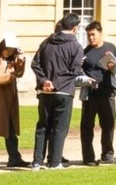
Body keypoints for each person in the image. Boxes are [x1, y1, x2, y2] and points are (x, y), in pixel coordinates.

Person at [30, 13, 84, 170]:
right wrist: (54, 84)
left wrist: (44, 81)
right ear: (75, 28)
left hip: (45, 92)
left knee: (42, 127)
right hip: (64, 92)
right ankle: (54, 162)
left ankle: (37, 161)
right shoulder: (76, 47)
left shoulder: (47, 42)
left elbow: (35, 64)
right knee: (59, 127)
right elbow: (74, 71)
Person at [0, 34, 29, 169]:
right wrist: (9, 77)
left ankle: (14, 158)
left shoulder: (12, 61)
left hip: (10, 101)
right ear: (2, 47)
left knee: (11, 131)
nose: (10, 52)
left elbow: (19, 74)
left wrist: (21, 61)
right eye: (9, 49)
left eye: (13, 49)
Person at [79, 22, 116, 166]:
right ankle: (88, 157)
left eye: (93, 35)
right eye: (88, 35)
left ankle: (107, 155)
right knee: (86, 126)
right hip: (90, 94)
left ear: (100, 33)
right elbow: (78, 73)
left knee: (108, 125)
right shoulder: (84, 52)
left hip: (107, 92)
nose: (90, 38)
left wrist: (114, 66)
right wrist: (84, 78)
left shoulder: (110, 48)